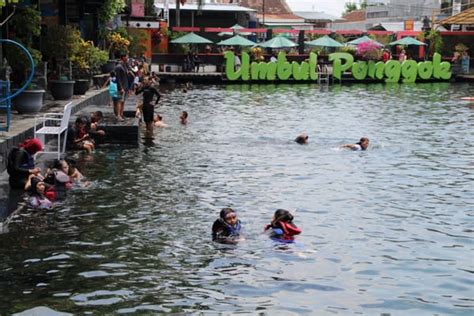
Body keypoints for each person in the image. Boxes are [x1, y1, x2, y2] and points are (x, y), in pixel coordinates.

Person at [114, 53, 129, 121]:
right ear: (123, 57)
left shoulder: (124, 65)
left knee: (123, 101)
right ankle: (118, 115)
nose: (127, 57)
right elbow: (118, 78)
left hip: (125, 86)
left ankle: (122, 114)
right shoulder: (118, 67)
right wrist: (121, 88)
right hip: (121, 87)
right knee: (119, 101)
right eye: (126, 56)